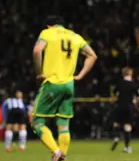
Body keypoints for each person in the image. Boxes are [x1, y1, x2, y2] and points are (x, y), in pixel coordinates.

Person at [31, 15, 98, 161]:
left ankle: (56, 152)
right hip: (69, 84)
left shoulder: (47, 33)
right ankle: (63, 156)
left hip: (53, 82)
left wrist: (39, 73)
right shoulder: (75, 36)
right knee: (63, 123)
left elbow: (37, 51)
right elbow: (92, 55)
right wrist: (80, 75)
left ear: (49, 25)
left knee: (37, 122)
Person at [111, 67, 139, 153]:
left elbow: (115, 94)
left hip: (119, 106)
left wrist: (115, 100)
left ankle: (116, 137)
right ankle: (126, 147)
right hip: (129, 106)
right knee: (127, 125)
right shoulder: (133, 84)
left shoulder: (119, 84)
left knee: (116, 123)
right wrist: (135, 103)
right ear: (130, 73)